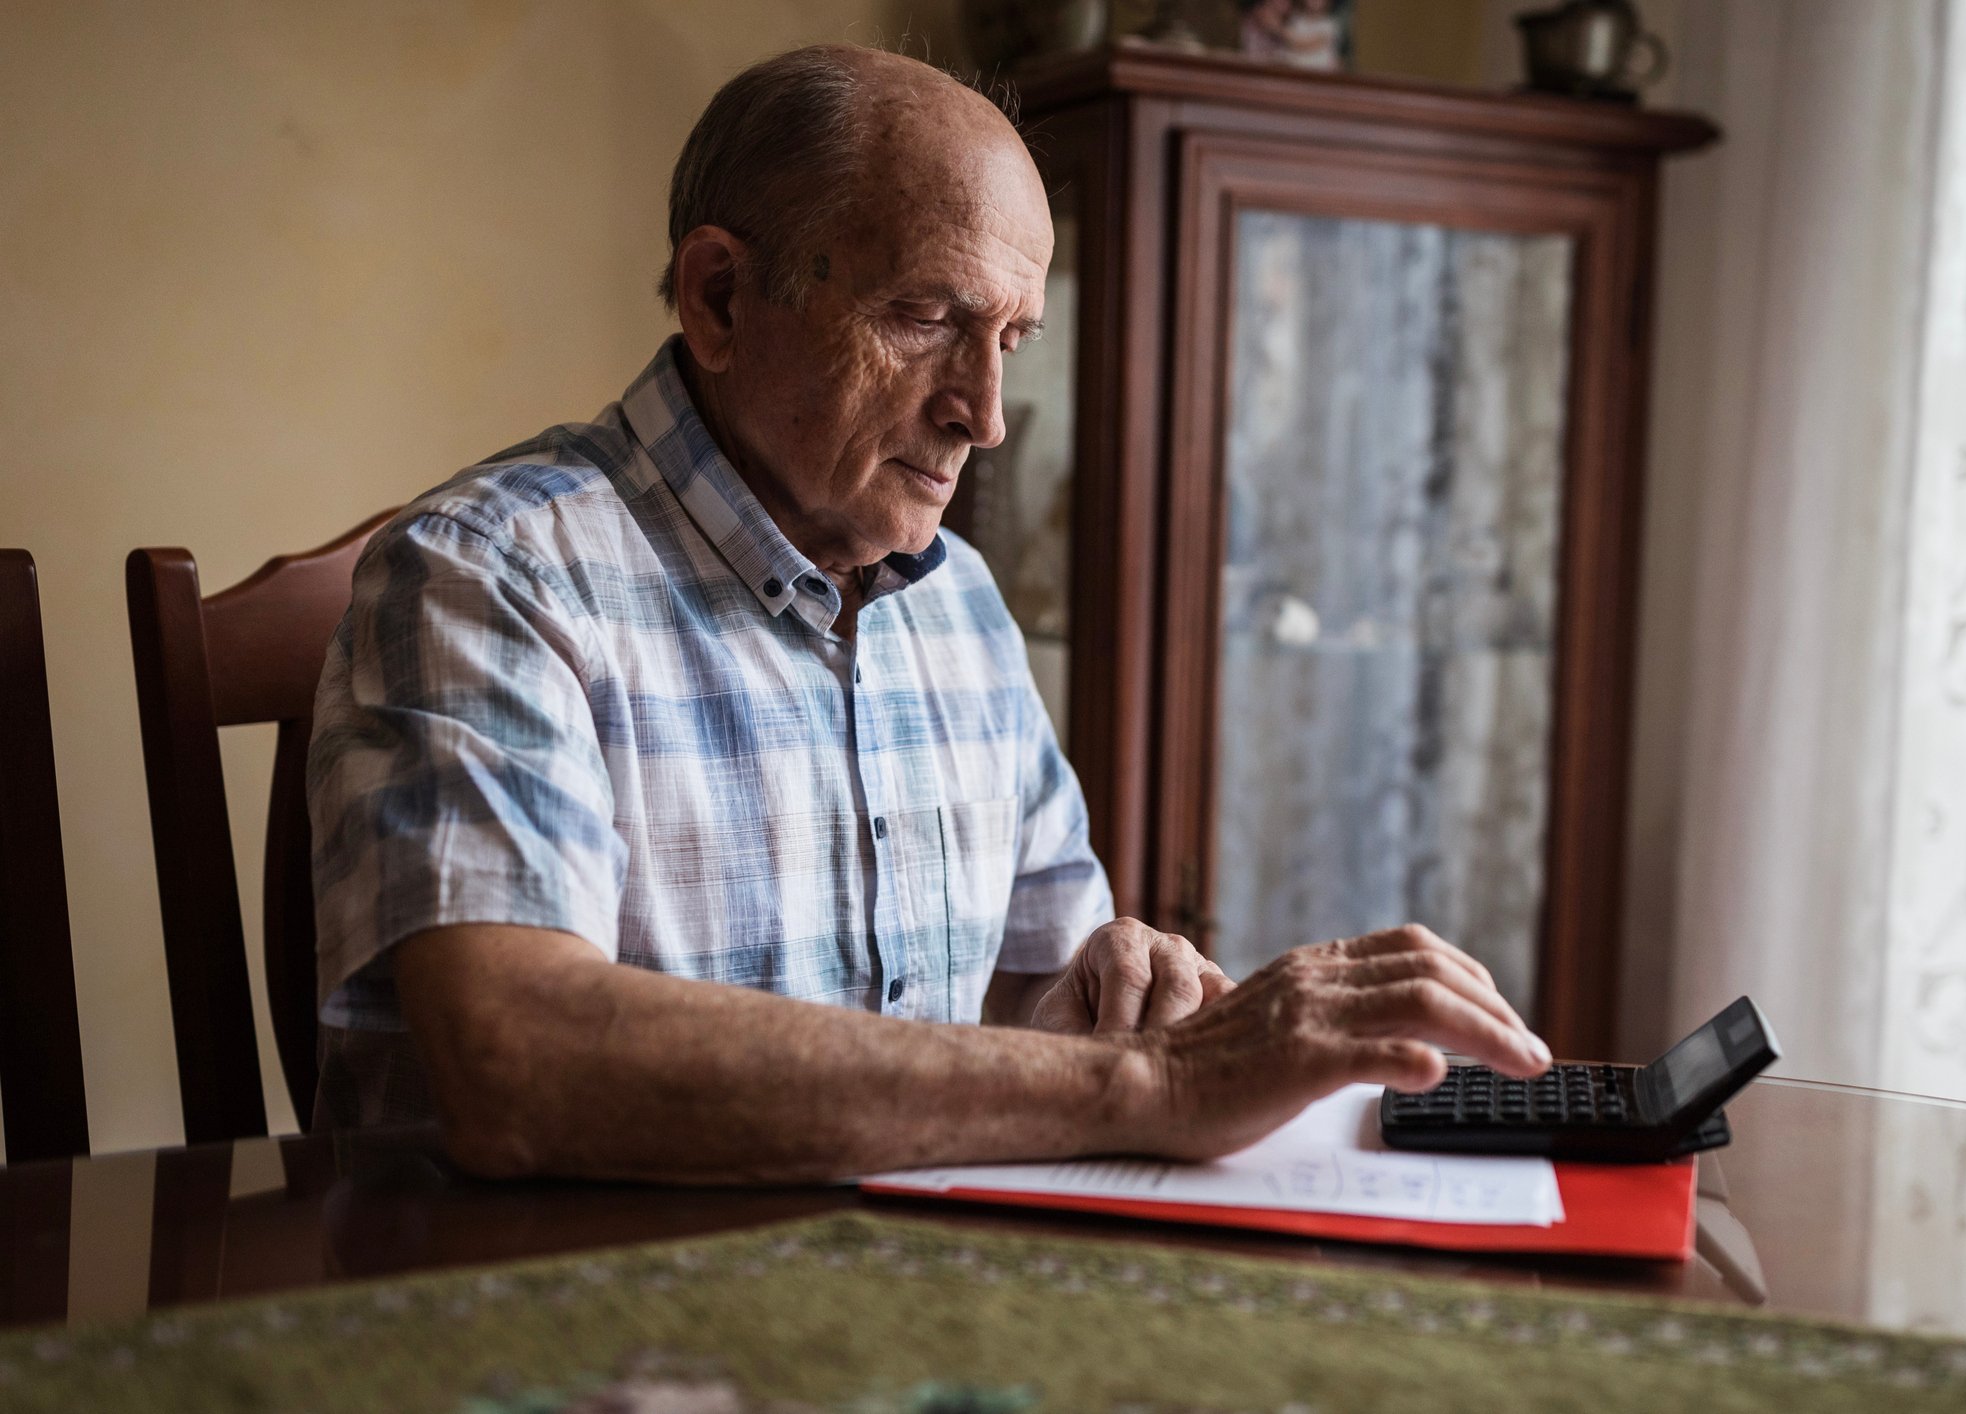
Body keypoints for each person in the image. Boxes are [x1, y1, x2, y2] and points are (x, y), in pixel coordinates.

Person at [306, 43, 1550, 1183]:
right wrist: (1157, 1080)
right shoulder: (489, 574)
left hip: (901, 1291)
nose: (986, 413)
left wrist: (1124, 992)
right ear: (721, 297)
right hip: (540, 1314)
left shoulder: (958, 605)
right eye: (928, 319)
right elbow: (518, 1065)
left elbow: (1035, 1013)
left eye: (1012, 337)